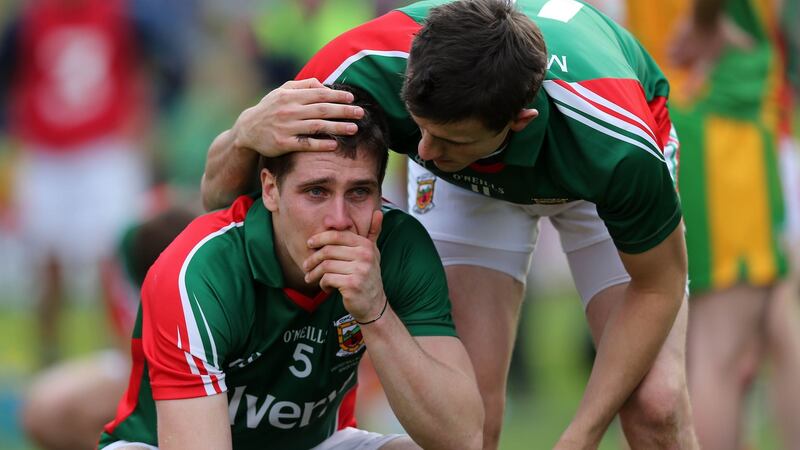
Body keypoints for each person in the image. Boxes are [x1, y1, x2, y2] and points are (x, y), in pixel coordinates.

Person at [200, 1, 697, 448]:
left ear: (517, 122)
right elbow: (217, 196)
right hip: (471, 181)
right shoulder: (356, 72)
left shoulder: (616, 142)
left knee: (656, 406)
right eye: (419, 127)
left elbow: (658, 287)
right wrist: (244, 134)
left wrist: (581, 434)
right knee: (468, 422)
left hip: (590, 172)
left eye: (448, 140)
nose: (423, 153)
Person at [98, 85, 484, 450]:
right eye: (316, 191)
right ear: (270, 190)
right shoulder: (199, 271)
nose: (339, 219)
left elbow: (462, 438)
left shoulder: (398, 248)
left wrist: (376, 312)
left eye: (359, 192)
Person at [622, 0, 800, 448]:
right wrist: (705, 21)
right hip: (718, 108)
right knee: (720, 350)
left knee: (740, 332)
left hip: (678, 103)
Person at [0, 0, 186, 366]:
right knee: (45, 258)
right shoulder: (30, 21)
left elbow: (168, 66)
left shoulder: (122, 16)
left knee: (114, 257)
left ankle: (117, 358)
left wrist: (148, 116)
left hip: (104, 150)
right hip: (47, 152)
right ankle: (48, 360)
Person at [21, 198, 197, 450]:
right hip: (146, 366)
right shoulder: (132, 243)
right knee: (44, 406)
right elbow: (128, 348)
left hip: (197, 377)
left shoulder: (213, 259)